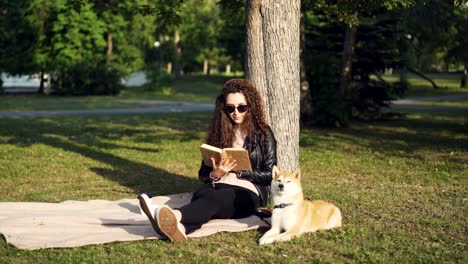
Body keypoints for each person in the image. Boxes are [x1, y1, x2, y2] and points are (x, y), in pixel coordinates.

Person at [138, 78, 277, 242]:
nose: (236, 112)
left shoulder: (263, 133)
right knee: (204, 195)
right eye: (230, 108)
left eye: (242, 107)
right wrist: (216, 173)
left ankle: (172, 215)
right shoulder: (220, 134)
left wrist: (243, 173)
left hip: (247, 193)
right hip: (217, 185)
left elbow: (270, 174)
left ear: (251, 107)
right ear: (224, 109)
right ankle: (180, 229)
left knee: (214, 199)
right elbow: (203, 174)